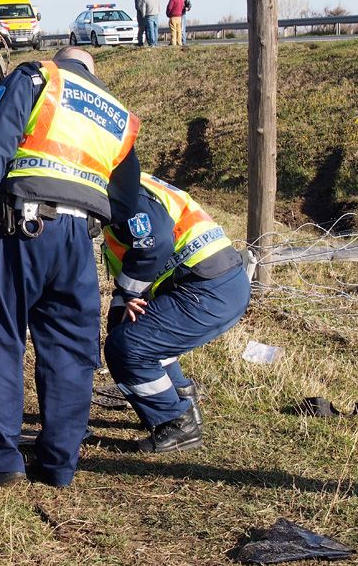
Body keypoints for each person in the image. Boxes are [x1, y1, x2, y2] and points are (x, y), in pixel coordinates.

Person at [0, 47, 142, 498]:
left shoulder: (40, 78)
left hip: (23, 228)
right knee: (71, 352)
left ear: (62, 59)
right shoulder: (117, 113)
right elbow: (128, 197)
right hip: (78, 242)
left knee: (0, 339)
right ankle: (59, 461)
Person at [102, 173, 250, 452]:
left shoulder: (119, 189)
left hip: (206, 287)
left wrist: (127, 293)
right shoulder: (135, 181)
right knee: (138, 333)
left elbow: (155, 242)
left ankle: (177, 422)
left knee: (127, 347)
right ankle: (182, 399)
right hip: (216, 280)